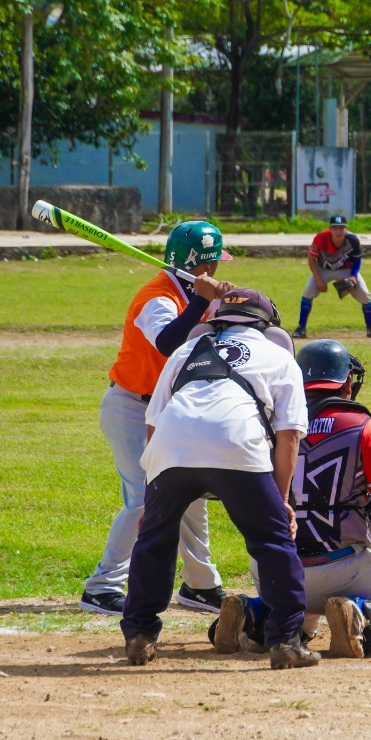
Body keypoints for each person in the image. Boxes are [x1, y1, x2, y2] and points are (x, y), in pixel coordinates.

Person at [121, 288, 318, 669]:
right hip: (237, 443)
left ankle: (139, 635)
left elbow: (154, 424)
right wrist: (281, 501)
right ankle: (286, 642)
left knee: (155, 540)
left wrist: (153, 495)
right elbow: (290, 435)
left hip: (171, 447)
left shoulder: (183, 352)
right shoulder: (278, 357)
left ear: (216, 321)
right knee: (272, 542)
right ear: (267, 325)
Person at [209, 339, 371, 660]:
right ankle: (362, 615)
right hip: (344, 568)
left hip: (273, 568)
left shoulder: (272, 426)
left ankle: (252, 614)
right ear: (346, 382)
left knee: (297, 621)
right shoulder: (363, 428)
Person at [81, 221, 234, 617]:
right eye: (213, 263)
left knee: (192, 496)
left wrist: (225, 305)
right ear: (200, 265)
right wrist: (202, 301)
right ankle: (102, 587)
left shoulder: (189, 292)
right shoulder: (157, 297)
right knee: (142, 499)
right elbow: (168, 343)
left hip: (170, 409)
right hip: (132, 407)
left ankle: (201, 585)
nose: (217, 270)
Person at [293, 214, 371, 339]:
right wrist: (318, 280)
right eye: (335, 228)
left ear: (346, 228)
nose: (338, 231)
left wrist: (354, 276)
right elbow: (311, 259)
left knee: (365, 295)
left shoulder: (353, 240)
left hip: (346, 270)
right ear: (330, 229)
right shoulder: (320, 238)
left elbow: (357, 259)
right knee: (308, 292)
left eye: (341, 228)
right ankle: (301, 328)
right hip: (323, 269)